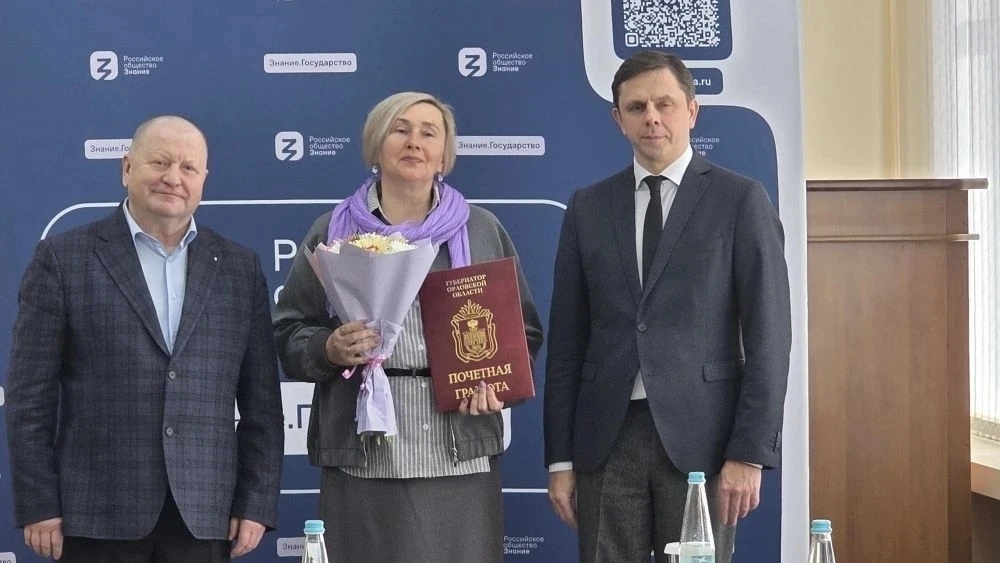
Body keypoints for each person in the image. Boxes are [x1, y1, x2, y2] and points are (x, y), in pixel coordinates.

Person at [273, 91, 543, 562]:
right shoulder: (332, 231)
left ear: (444, 155)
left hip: (459, 447)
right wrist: (328, 348)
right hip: (363, 450)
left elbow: (523, 332)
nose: (414, 142)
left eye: (428, 133)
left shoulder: (481, 230)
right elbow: (288, 330)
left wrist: (498, 386)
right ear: (376, 145)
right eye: (400, 129)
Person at [543, 50, 792, 563]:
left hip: (706, 442)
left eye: (665, 104)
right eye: (637, 107)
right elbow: (567, 341)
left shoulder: (740, 200)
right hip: (605, 440)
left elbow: (770, 337)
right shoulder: (587, 207)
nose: (651, 117)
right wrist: (560, 459)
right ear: (618, 119)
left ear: (692, 111)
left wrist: (749, 452)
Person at [5, 115, 285, 562]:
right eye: (160, 162)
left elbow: (263, 404)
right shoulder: (63, 259)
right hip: (95, 515)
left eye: (188, 168)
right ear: (127, 168)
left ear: (203, 180)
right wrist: (39, 503)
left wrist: (255, 502)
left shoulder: (239, 269)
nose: (173, 177)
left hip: (204, 515)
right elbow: (29, 398)